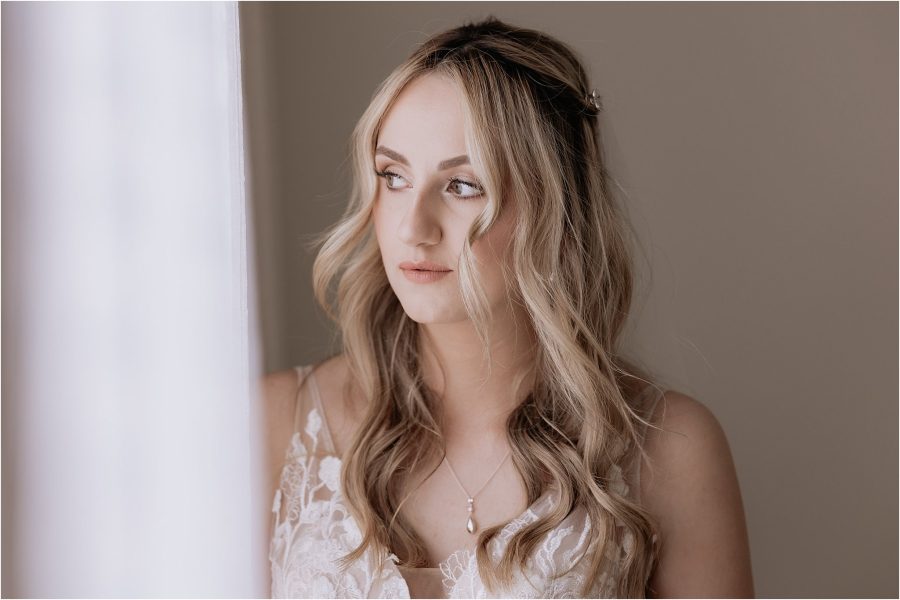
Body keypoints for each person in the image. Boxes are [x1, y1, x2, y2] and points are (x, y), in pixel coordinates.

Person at [262, 17, 753, 599]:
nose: (412, 228)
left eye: (463, 186)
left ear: (554, 210)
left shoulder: (670, 451)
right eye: (393, 176)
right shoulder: (273, 423)